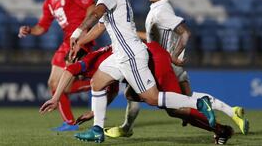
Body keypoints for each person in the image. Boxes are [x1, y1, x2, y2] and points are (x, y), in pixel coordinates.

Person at [68, 0, 215, 143]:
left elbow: (97, 13)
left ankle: (199, 103)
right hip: (120, 54)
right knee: (97, 82)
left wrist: (77, 31)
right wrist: (80, 42)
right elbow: (100, 27)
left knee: (153, 99)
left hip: (130, 55)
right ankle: (97, 129)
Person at [104, 0, 249, 141]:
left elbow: (185, 33)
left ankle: (222, 128)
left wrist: (174, 56)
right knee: (178, 105)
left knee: (176, 107)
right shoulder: (158, 9)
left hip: (165, 67)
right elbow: (153, 39)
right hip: (165, 64)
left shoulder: (161, 11)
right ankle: (230, 114)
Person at [40, 41, 235, 144]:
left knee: (175, 108)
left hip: (154, 60)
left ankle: (219, 127)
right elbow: (113, 89)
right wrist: (94, 112)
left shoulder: (88, 62)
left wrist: (56, 98)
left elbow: (69, 71)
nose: (72, 68)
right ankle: (219, 129)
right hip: (151, 55)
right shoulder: (102, 62)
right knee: (132, 95)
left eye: (71, 62)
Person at [17, 0, 96, 131]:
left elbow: (92, 7)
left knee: (62, 86)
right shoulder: (49, 1)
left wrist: (84, 29)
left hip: (79, 40)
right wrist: (29, 30)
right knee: (55, 84)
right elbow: (42, 27)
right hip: (66, 42)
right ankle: (70, 122)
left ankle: (100, 83)